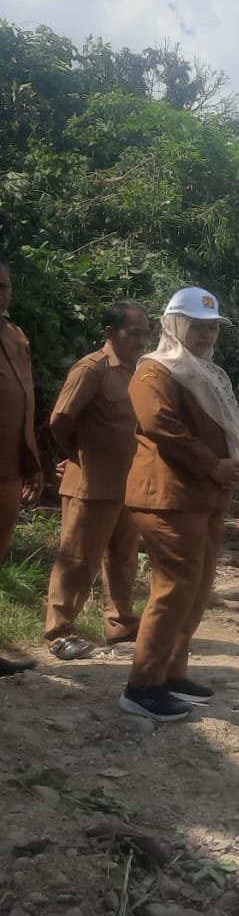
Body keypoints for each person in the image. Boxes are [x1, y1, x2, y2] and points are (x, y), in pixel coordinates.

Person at [120, 287, 239, 722]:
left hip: (204, 497)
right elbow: (160, 425)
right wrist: (212, 465)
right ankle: (142, 685)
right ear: (174, 325)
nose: (205, 334)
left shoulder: (203, 372)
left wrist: (227, 468)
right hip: (169, 498)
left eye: (212, 327)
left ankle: (172, 672)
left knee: (196, 589)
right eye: (196, 325)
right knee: (174, 588)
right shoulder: (155, 371)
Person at [43, 301, 151, 659]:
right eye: (133, 332)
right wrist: (77, 455)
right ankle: (59, 633)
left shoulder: (142, 371)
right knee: (77, 559)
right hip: (90, 482)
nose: (141, 339)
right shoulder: (92, 368)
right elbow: (61, 418)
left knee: (123, 557)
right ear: (110, 332)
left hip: (129, 484)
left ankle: (120, 625)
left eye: (144, 333)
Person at [0, 259, 42, 677]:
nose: (2, 293)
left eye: (5, 285)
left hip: (9, 470)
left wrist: (32, 464)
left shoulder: (15, 335)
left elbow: (25, 403)